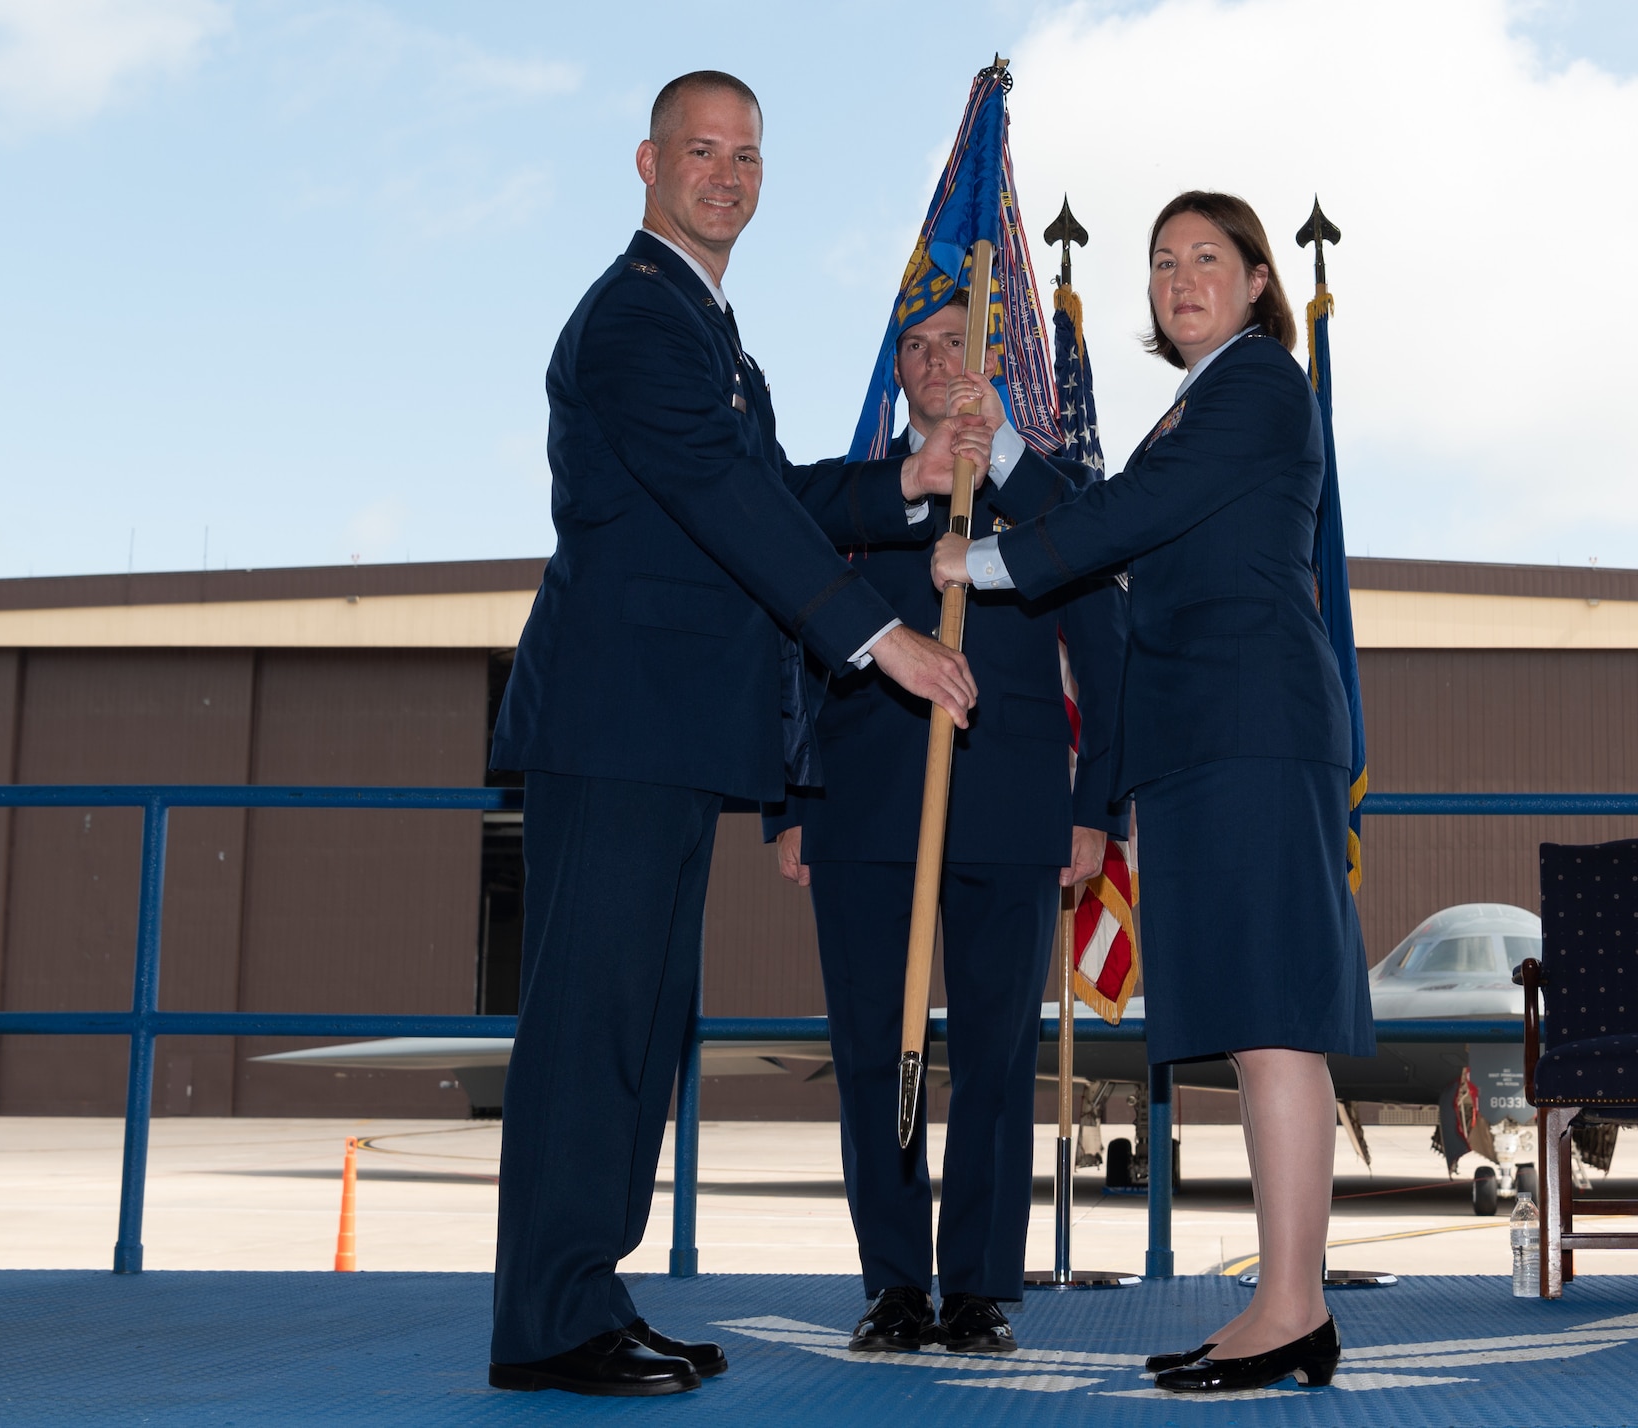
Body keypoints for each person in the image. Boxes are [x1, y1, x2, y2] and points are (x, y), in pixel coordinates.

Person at [485, 70, 994, 1399]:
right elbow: (724, 497)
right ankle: (548, 1320)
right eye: (701, 151)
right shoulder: (640, 319)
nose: (726, 176)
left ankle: (583, 1295)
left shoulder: (705, 328)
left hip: (664, 735)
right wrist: (879, 639)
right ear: (646, 163)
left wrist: (906, 479)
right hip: (614, 727)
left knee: (643, 1026)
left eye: (747, 156)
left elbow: (770, 489)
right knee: (593, 1023)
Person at [932, 191, 1374, 1395]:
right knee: (1249, 1018)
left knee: (1271, 1014)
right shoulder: (1197, 404)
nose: (1179, 278)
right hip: (1204, 745)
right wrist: (1012, 455)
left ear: (1253, 282)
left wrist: (977, 560)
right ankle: (1284, 1306)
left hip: (1251, 734)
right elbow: (1106, 510)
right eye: (1161, 261)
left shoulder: (1259, 386)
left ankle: (1291, 1307)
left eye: (1206, 259)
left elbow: (1126, 522)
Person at [765, 292, 1127, 1356]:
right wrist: (790, 804)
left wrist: (1094, 809)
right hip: (863, 806)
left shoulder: (1045, 499)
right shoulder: (844, 497)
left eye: (953, 344)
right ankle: (893, 1284)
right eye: (913, 347)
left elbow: (1106, 658)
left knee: (997, 1057)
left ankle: (973, 1285)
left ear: (992, 364)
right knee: (873, 1051)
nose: (931, 361)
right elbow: (788, 640)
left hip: (1014, 810)